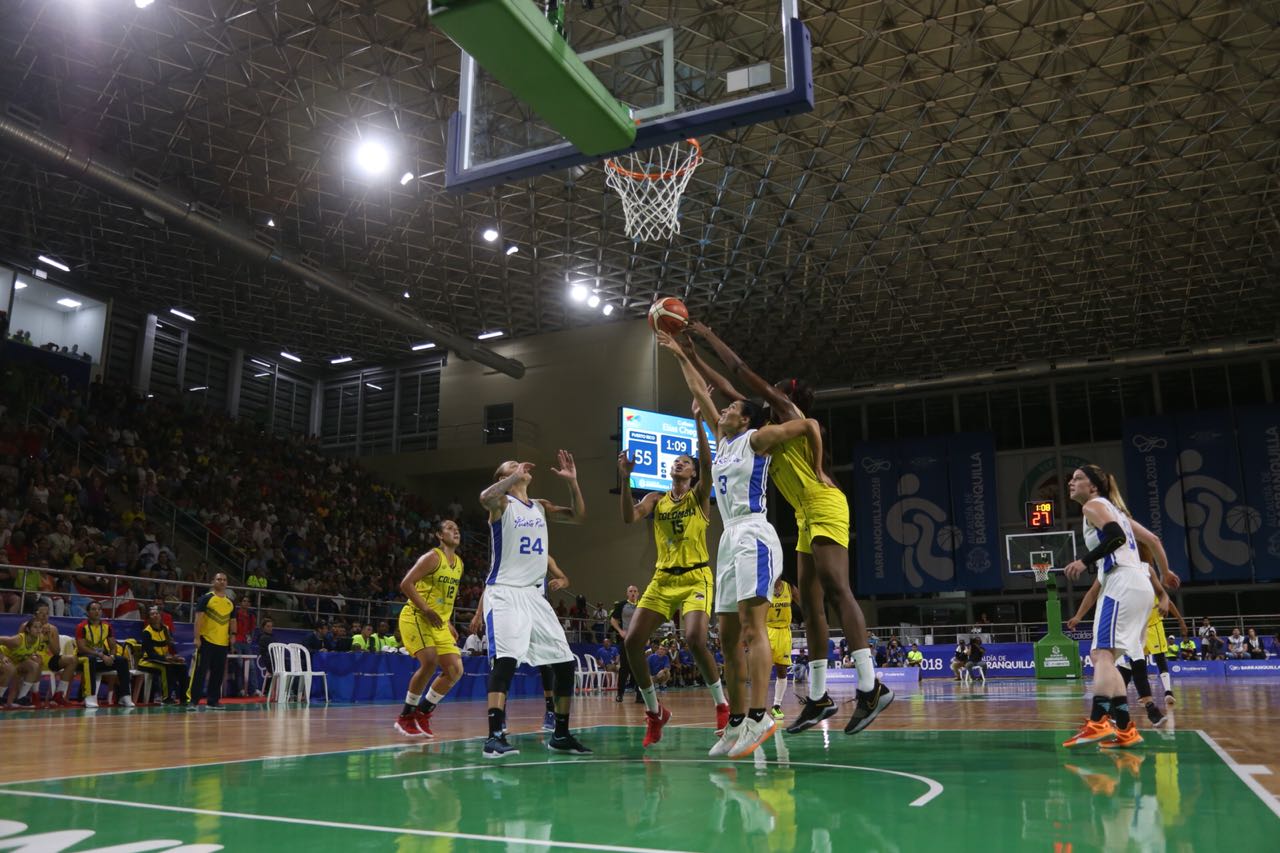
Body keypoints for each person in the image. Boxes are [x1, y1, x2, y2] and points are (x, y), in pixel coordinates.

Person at [680, 322, 892, 736]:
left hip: (824, 503)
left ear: (786, 396)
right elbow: (723, 385)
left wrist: (705, 336)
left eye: (772, 390)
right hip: (801, 515)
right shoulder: (757, 436)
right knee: (809, 605)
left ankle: (870, 688)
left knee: (836, 587)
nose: (763, 395)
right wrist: (687, 353)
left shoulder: (789, 414)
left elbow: (737, 370)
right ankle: (818, 697)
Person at [660, 330, 821, 759]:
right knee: (727, 635)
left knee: (753, 630)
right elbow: (699, 390)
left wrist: (819, 469)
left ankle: (761, 714)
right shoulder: (725, 443)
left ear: (745, 419)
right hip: (729, 541)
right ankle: (735, 722)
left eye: (731, 408)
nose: (724, 410)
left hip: (754, 534)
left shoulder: (755, 440)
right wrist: (680, 355)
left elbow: (806, 424)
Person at [618, 412, 729, 747]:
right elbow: (627, 517)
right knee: (632, 642)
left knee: (695, 638)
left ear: (693, 472)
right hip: (663, 579)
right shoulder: (655, 500)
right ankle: (654, 712)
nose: (679, 464)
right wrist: (625, 479)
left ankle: (722, 705)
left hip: (696, 576)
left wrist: (699, 422)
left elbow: (708, 466)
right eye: (676, 461)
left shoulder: (698, 496)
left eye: (685, 462)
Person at [471, 450, 591, 757]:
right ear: (504, 479)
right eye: (510, 466)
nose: (519, 466)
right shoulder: (501, 504)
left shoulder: (540, 506)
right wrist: (513, 476)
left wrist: (573, 483)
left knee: (564, 663)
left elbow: (579, 517)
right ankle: (494, 737)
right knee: (507, 660)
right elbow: (484, 496)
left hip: (534, 596)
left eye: (518, 466)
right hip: (505, 592)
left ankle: (561, 734)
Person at [1062, 465, 1171, 750]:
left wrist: (1084, 561)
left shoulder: (1093, 506)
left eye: (1078, 478)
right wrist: (1166, 572)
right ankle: (1124, 729)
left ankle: (1098, 721)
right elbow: (1154, 540)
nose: (1071, 482)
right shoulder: (1118, 512)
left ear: (1094, 486)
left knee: (1101, 655)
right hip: (1138, 586)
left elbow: (1116, 537)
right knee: (1110, 660)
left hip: (1121, 583)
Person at [394, 519, 468, 737]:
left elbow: (445, 599)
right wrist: (426, 609)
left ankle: (423, 712)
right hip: (417, 615)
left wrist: (448, 622)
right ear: (438, 534)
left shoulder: (460, 564)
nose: (456, 531)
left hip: (438, 622)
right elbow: (406, 584)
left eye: (457, 529)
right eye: (450, 529)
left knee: (455, 670)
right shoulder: (432, 557)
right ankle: (405, 716)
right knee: (430, 661)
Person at [188, 572, 234, 710]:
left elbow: (233, 621)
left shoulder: (230, 602)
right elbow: (198, 620)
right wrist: (197, 638)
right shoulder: (206, 599)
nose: (222, 582)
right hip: (206, 641)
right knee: (200, 672)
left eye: (224, 580)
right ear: (213, 581)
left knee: (218, 673)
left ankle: (212, 701)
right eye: (219, 579)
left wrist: (233, 636)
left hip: (222, 643)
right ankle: (193, 701)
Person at [75, 600, 134, 708]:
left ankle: (124, 696)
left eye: (99, 609)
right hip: (82, 659)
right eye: (93, 609)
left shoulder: (107, 626)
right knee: (90, 659)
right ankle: (90, 696)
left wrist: (111, 656)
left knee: (122, 661)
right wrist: (102, 655)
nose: (97, 611)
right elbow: (82, 648)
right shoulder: (81, 626)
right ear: (88, 612)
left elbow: (112, 646)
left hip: (100, 659)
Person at [138, 606, 187, 704]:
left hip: (164, 659)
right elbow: (151, 654)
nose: (155, 615)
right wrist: (165, 658)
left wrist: (175, 657)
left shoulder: (166, 629)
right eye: (152, 614)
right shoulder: (147, 632)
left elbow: (171, 647)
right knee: (165, 667)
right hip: (147, 661)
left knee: (182, 666)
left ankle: (183, 698)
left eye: (157, 613)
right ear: (149, 618)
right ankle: (166, 698)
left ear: (161, 616)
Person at [766, 578, 795, 719]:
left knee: (782, 671)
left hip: (784, 632)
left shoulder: (789, 587)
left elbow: (806, 605)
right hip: (767, 629)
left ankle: (776, 706)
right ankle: (757, 708)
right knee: (761, 668)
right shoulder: (763, 585)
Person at [609, 585, 640, 702]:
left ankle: (640, 696)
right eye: (631, 591)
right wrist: (620, 631)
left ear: (638, 594)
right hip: (625, 640)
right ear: (627, 594)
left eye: (635, 591)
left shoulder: (642, 605)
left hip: (638, 639)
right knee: (624, 667)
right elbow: (613, 620)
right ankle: (620, 694)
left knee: (638, 667)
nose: (633, 593)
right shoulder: (621, 605)